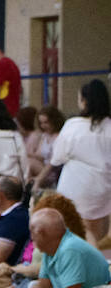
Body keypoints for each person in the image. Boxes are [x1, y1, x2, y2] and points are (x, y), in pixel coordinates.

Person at [50, 79, 111, 244]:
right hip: (103, 188)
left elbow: (57, 158)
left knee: (77, 234)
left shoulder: (73, 125)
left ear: (84, 102)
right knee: (96, 235)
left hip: (75, 186)